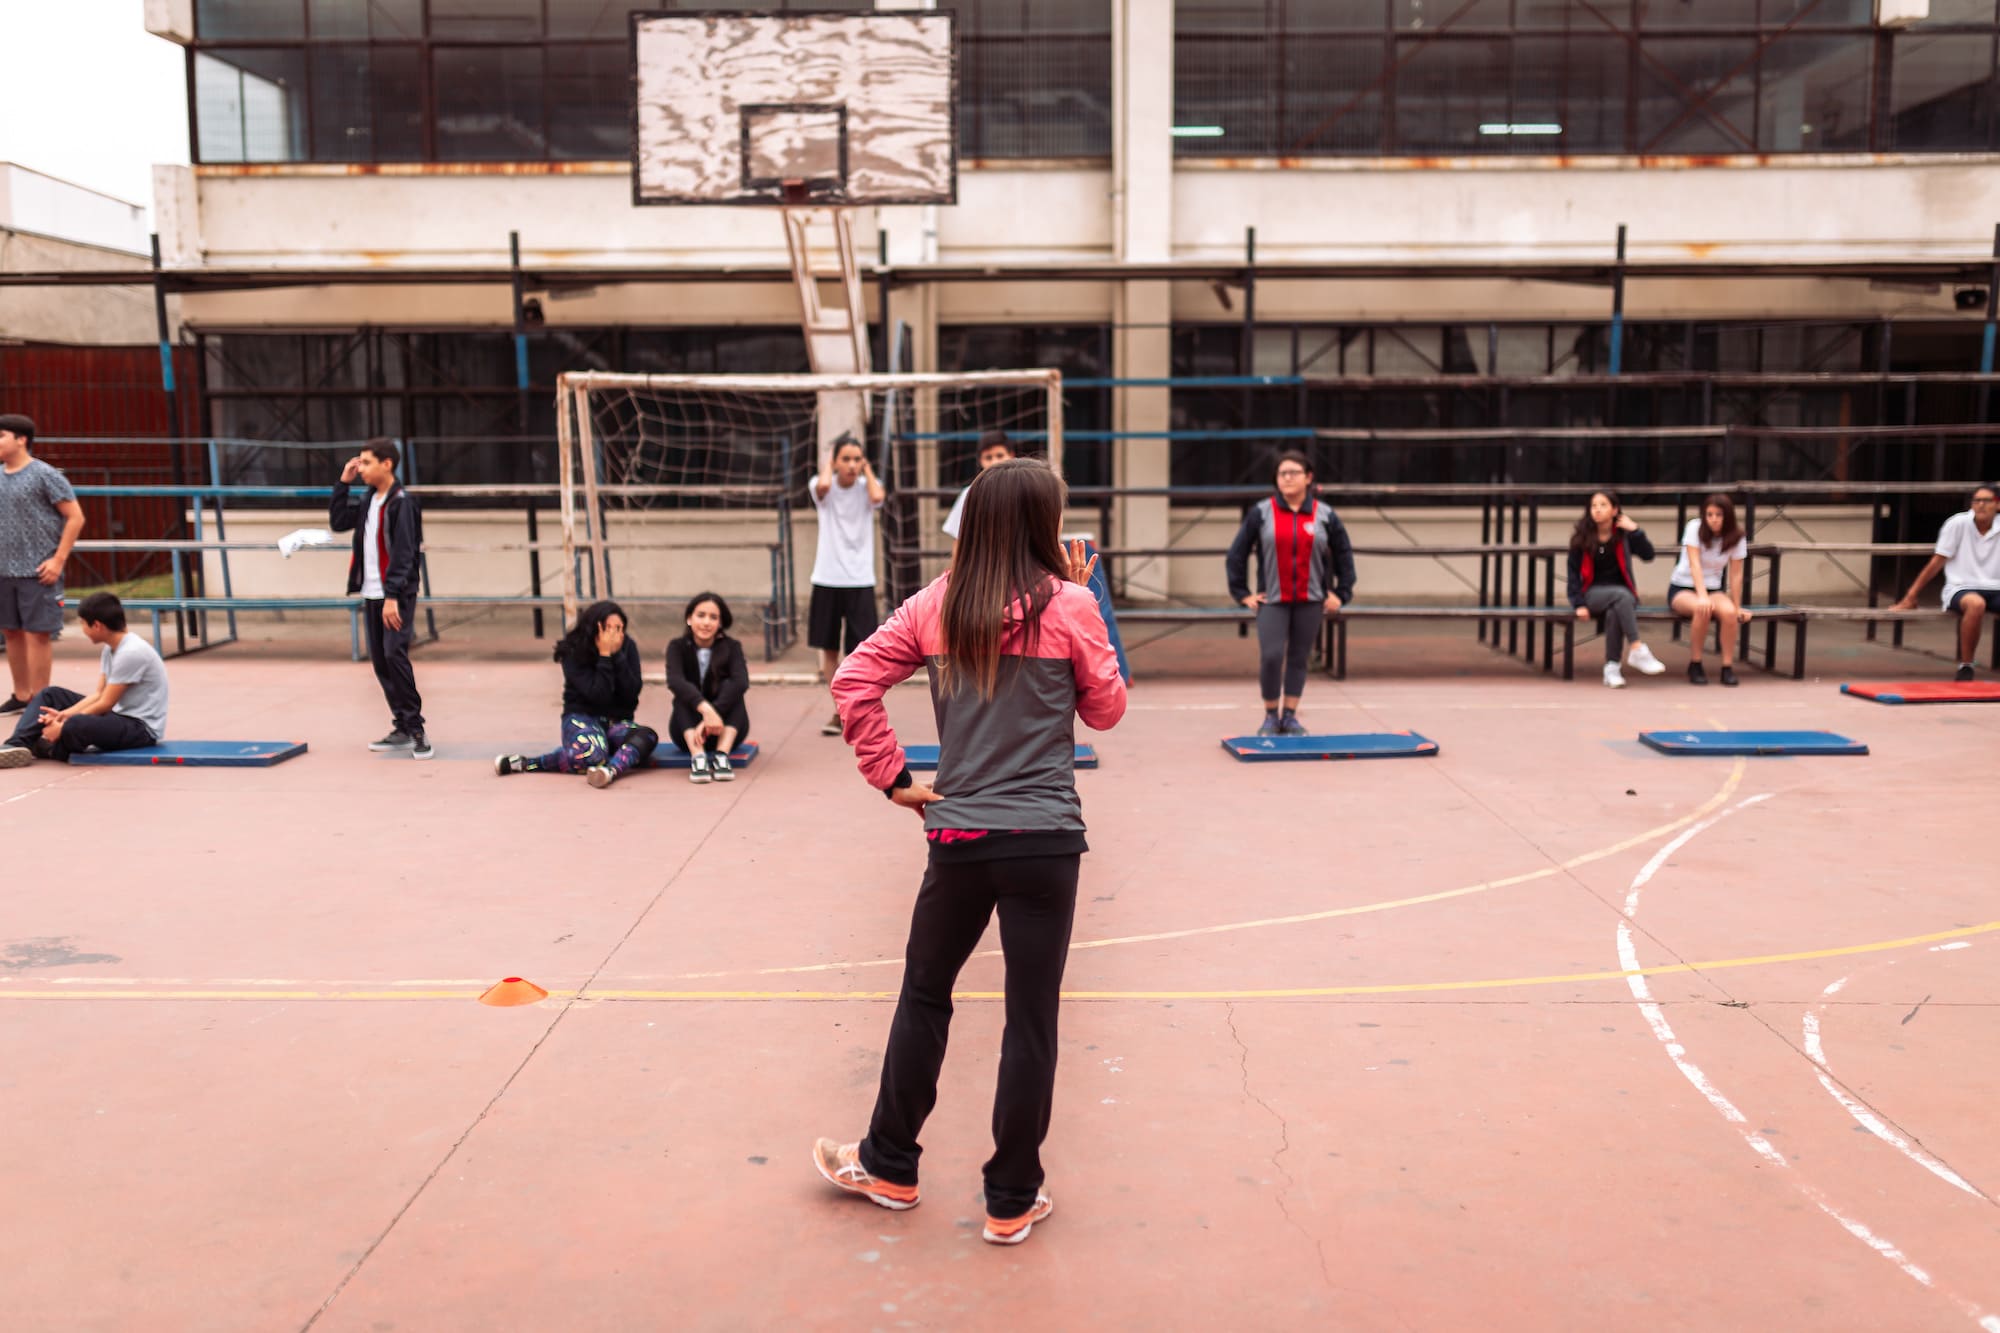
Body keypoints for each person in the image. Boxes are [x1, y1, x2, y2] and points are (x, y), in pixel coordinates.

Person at [813, 457, 1126, 1248]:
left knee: (925, 994)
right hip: (1047, 840)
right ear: (1040, 525)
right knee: (1031, 1019)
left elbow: (853, 680)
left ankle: (889, 1163)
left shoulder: (935, 605)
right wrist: (1092, 607)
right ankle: (1011, 1197)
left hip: (959, 835)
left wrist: (894, 779)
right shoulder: (1075, 604)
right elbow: (1108, 709)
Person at [1225, 451, 1356, 735]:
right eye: (1282, 473)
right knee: (1271, 656)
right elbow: (1236, 554)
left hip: (1311, 600)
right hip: (1273, 599)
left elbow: (1344, 554)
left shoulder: (1324, 514)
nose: (1287, 478)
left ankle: (1290, 716)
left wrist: (1341, 593)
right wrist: (1242, 593)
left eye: (1293, 473)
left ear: (1308, 478)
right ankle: (1271, 715)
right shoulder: (1262, 512)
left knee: (1299, 657)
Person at [329, 439, 432, 758]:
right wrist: (343, 482)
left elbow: (405, 554)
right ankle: (401, 724)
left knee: (394, 654)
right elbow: (337, 522)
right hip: (371, 591)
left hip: (394, 594)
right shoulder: (369, 500)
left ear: (387, 464)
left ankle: (416, 729)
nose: (361, 469)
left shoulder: (402, 502)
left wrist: (392, 597)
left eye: (367, 463)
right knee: (380, 660)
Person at [494, 599, 656, 788]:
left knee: (647, 736)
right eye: (608, 628)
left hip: (615, 723)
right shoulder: (573, 649)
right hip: (582, 717)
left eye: (619, 628)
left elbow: (631, 694)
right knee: (592, 753)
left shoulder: (628, 647)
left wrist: (618, 656)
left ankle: (608, 771)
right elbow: (598, 695)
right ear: (594, 628)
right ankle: (526, 763)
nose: (614, 635)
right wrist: (605, 655)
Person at [0, 593, 166, 767]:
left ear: (97, 626)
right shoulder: (111, 649)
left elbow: (105, 703)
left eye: (82, 623)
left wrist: (64, 724)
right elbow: (98, 694)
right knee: (51, 695)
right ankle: (17, 744)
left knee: (77, 725)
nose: (82, 629)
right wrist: (64, 714)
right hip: (117, 715)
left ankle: (50, 747)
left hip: (139, 728)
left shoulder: (131, 652)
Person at [0, 413, 86, 716]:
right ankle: (21, 695)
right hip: (3, 570)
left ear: (22, 440)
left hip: (38, 570)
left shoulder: (45, 474)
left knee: (38, 633)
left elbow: (75, 516)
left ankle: (39, 698)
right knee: (10, 631)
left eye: (2, 436)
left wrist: (58, 560)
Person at [809, 433, 885, 736]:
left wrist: (865, 470)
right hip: (827, 578)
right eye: (846, 459)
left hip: (860, 580)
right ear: (835, 461)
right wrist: (829, 464)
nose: (851, 465)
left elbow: (879, 498)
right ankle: (839, 709)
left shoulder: (869, 487)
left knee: (861, 650)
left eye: (857, 459)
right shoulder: (820, 484)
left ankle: (859, 708)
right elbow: (824, 486)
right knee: (829, 649)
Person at [1891, 482, 2000, 681]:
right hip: (1961, 587)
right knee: (1976, 605)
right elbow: (1937, 561)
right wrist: (1911, 596)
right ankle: (1966, 666)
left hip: (1995, 587)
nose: (1981, 505)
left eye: (1987, 500)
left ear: (1998, 504)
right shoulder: (1957, 523)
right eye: (1977, 500)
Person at [1567, 489, 1666, 689]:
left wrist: (1635, 530)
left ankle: (1611, 668)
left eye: (1603, 505)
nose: (1597, 510)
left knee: (1615, 611)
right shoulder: (1581, 539)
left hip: (1621, 597)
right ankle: (1637, 648)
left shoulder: (1624, 536)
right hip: (1592, 594)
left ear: (1615, 510)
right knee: (1622, 596)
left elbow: (1649, 555)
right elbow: (1573, 574)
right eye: (1594, 506)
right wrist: (1578, 603)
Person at [1668, 493, 1754, 687]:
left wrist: (1737, 605)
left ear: (1728, 516)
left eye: (1719, 515)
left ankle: (1727, 667)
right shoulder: (1694, 528)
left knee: (1730, 613)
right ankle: (1696, 663)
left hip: (1714, 588)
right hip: (1684, 587)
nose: (1713, 519)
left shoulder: (1737, 536)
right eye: (1709, 514)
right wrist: (1702, 597)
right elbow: (1694, 564)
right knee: (1702, 608)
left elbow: (1736, 574)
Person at [665, 591, 750, 784]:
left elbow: (741, 681)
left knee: (734, 688)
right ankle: (699, 759)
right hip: (687, 730)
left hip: (727, 729)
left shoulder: (732, 646)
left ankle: (722, 756)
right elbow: (675, 680)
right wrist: (705, 710)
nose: (706, 622)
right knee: (683, 693)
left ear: (720, 623)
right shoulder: (677, 646)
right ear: (689, 618)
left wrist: (714, 714)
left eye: (713, 617)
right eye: (700, 615)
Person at [942, 428, 1016, 561]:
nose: (995, 462)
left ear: (1011, 455)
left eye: (1000, 456)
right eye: (988, 457)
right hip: (982, 570)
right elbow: (958, 542)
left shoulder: (1023, 490)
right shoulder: (969, 494)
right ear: (980, 461)